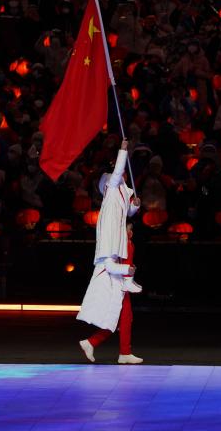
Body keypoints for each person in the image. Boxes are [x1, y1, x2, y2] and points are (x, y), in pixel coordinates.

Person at [77, 139, 143, 364]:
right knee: (118, 310)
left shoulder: (120, 197)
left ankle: (110, 347)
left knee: (122, 311)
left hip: (117, 255)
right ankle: (108, 347)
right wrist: (123, 150)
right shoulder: (111, 191)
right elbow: (117, 173)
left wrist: (136, 206)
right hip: (111, 258)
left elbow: (129, 212)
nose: (118, 178)